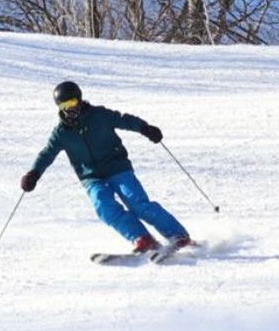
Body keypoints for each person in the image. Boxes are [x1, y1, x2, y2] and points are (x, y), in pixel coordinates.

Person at [21, 81, 193, 254]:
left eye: (72, 103)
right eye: (64, 105)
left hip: (117, 167)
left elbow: (124, 119)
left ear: (79, 100)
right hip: (91, 177)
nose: (70, 108)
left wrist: (144, 128)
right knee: (104, 207)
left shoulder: (99, 115)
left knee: (137, 203)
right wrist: (34, 173)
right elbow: (47, 154)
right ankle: (142, 239)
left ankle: (178, 236)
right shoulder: (61, 133)